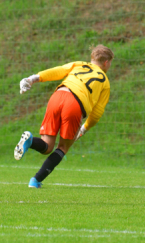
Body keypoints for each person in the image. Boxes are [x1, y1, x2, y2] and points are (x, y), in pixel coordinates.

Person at [15, 45, 113, 188]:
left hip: (57, 96)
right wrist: (84, 128)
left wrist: (33, 78)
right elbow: (97, 112)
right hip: (74, 104)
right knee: (63, 147)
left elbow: (59, 71)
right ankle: (35, 181)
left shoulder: (79, 64)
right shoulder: (105, 82)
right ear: (106, 63)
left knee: (47, 146)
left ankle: (30, 140)